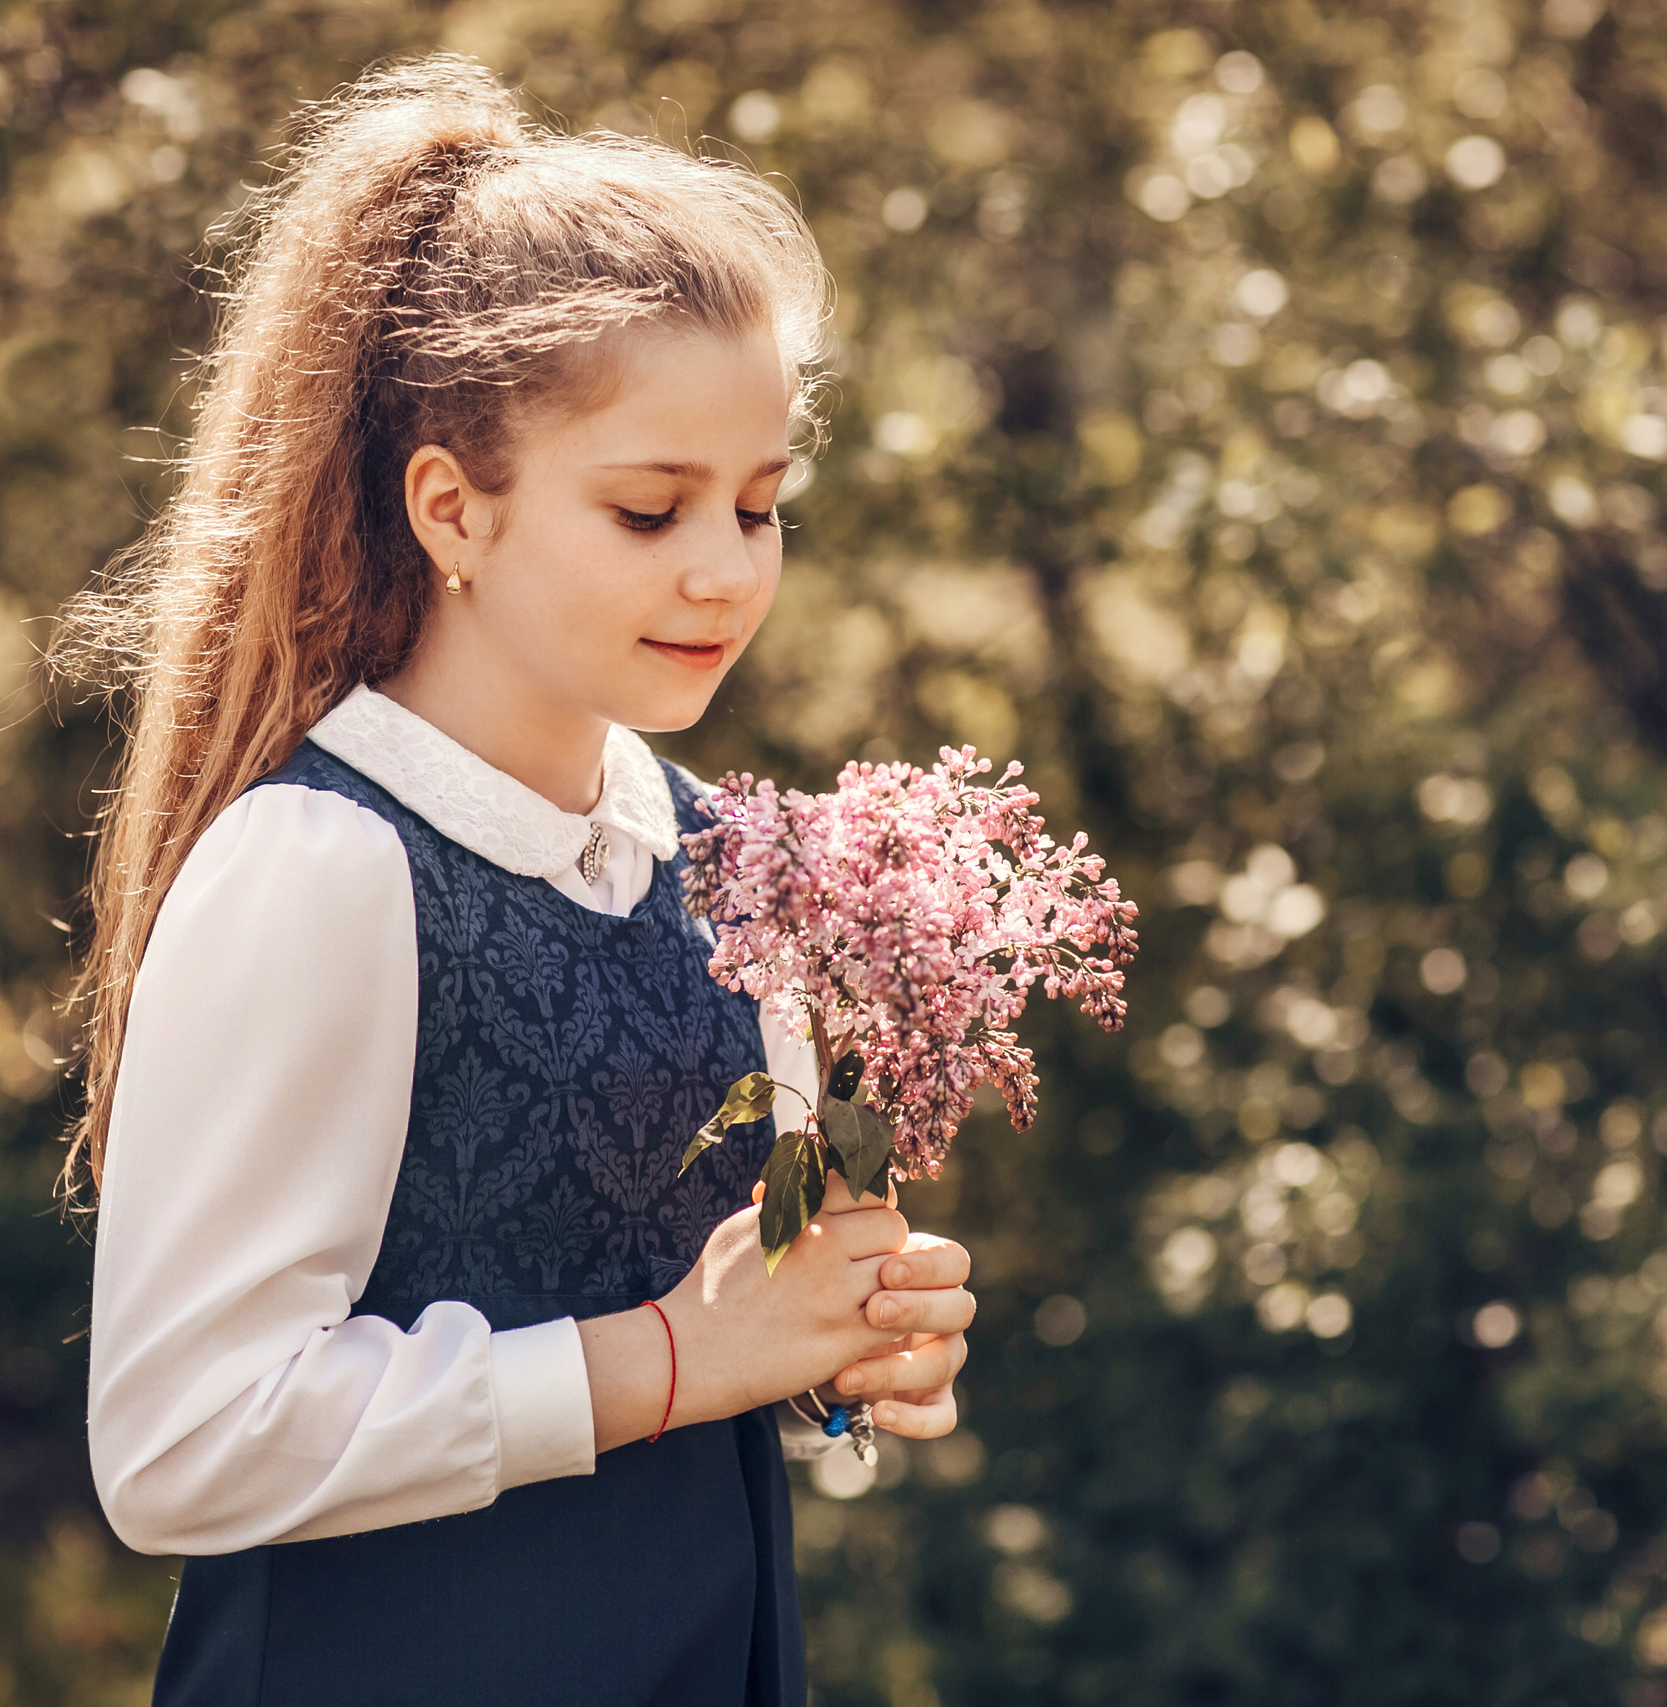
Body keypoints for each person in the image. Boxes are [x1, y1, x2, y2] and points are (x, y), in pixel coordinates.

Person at [56, 54, 977, 1707]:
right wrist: (682, 1358)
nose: (723, 568)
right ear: (450, 510)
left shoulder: (728, 856)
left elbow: (711, 1320)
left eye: (763, 506)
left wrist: (835, 1354)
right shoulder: (322, 866)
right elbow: (182, 1445)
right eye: (648, 508)